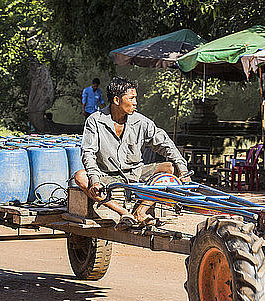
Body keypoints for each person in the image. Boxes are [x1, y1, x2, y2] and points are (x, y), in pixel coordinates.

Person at [74, 76, 190, 228]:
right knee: (80, 177)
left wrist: (183, 170)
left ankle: (141, 211)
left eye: (136, 98)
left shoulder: (142, 122)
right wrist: (95, 180)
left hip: (136, 172)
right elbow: (88, 153)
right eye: (131, 98)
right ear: (116, 100)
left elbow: (166, 145)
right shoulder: (95, 120)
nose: (135, 103)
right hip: (106, 174)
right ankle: (123, 213)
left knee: (171, 168)